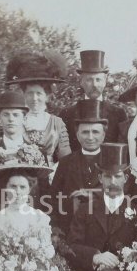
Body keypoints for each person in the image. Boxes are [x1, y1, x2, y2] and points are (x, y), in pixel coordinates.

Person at [48, 99, 110, 232]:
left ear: (104, 135)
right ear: (77, 134)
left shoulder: (113, 162)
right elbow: (52, 198)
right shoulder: (66, 163)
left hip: (102, 231)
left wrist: (94, 195)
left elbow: (120, 195)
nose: (90, 137)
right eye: (85, 132)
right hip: (70, 229)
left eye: (95, 132)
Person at [5, 51, 72, 162]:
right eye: (30, 93)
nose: (34, 98)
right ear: (24, 95)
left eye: (39, 93)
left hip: (51, 175)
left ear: (47, 96)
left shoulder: (57, 123)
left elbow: (66, 158)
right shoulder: (16, 120)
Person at [60, 50, 127, 152]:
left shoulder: (118, 114)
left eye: (98, 80)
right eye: (89, 80)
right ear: (81, 82)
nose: (94, 85)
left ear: (104, 81)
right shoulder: (67, 114)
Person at [0, 90, 31, 205]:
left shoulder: (37, 152)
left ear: (24, 119)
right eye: (6, 114)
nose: (11, 119)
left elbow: (42, 190)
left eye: (15, 115)